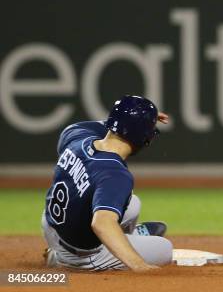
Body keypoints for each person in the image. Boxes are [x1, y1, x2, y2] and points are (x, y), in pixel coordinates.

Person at [42, 95, 172, 272]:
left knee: (133, 204)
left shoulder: (77, 137)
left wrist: (134, 120)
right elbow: (101, 223)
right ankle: (61, 259)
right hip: (82, 255)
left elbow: (104, 126)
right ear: (144, 139)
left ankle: (124, 238)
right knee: (164, 248)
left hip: (51, 227)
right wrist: (139, 265)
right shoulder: (115, 174)